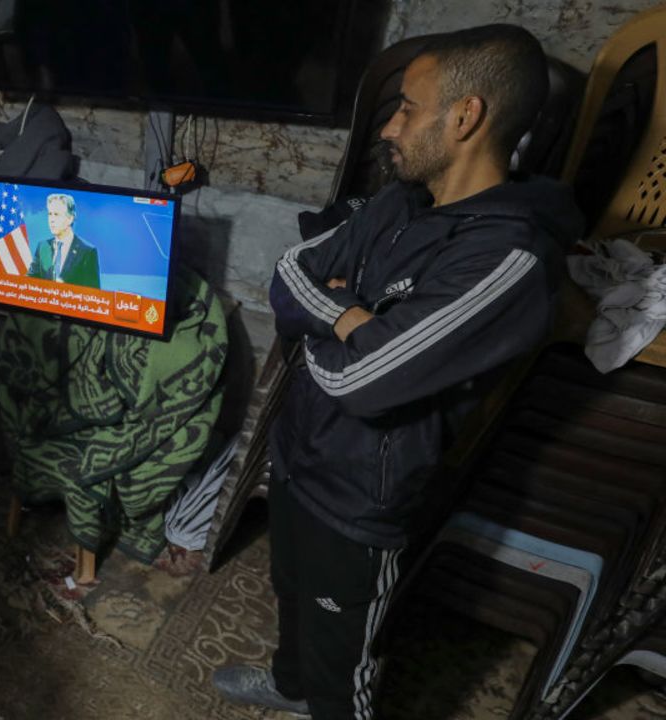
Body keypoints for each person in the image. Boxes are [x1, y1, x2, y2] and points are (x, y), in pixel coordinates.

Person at [212, 25, 583, 719]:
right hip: (301, 453)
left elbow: (366, 384)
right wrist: (357, 321)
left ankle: (325, 703)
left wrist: (342, 326)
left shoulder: (510, 257)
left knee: (343, 654)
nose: (389, 125)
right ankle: (292, 688)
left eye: (407, 108)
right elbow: (289, 275)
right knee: (291, 594)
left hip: (359, 496)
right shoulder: (400, 201)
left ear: (466, 116)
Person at [28, 192, 101, 288]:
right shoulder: (43, 247)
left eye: (56, 214)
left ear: (70, 218)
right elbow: (30, 282)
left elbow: (92, 293)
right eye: (50, 214)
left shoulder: (87, 251)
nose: (51, 219)